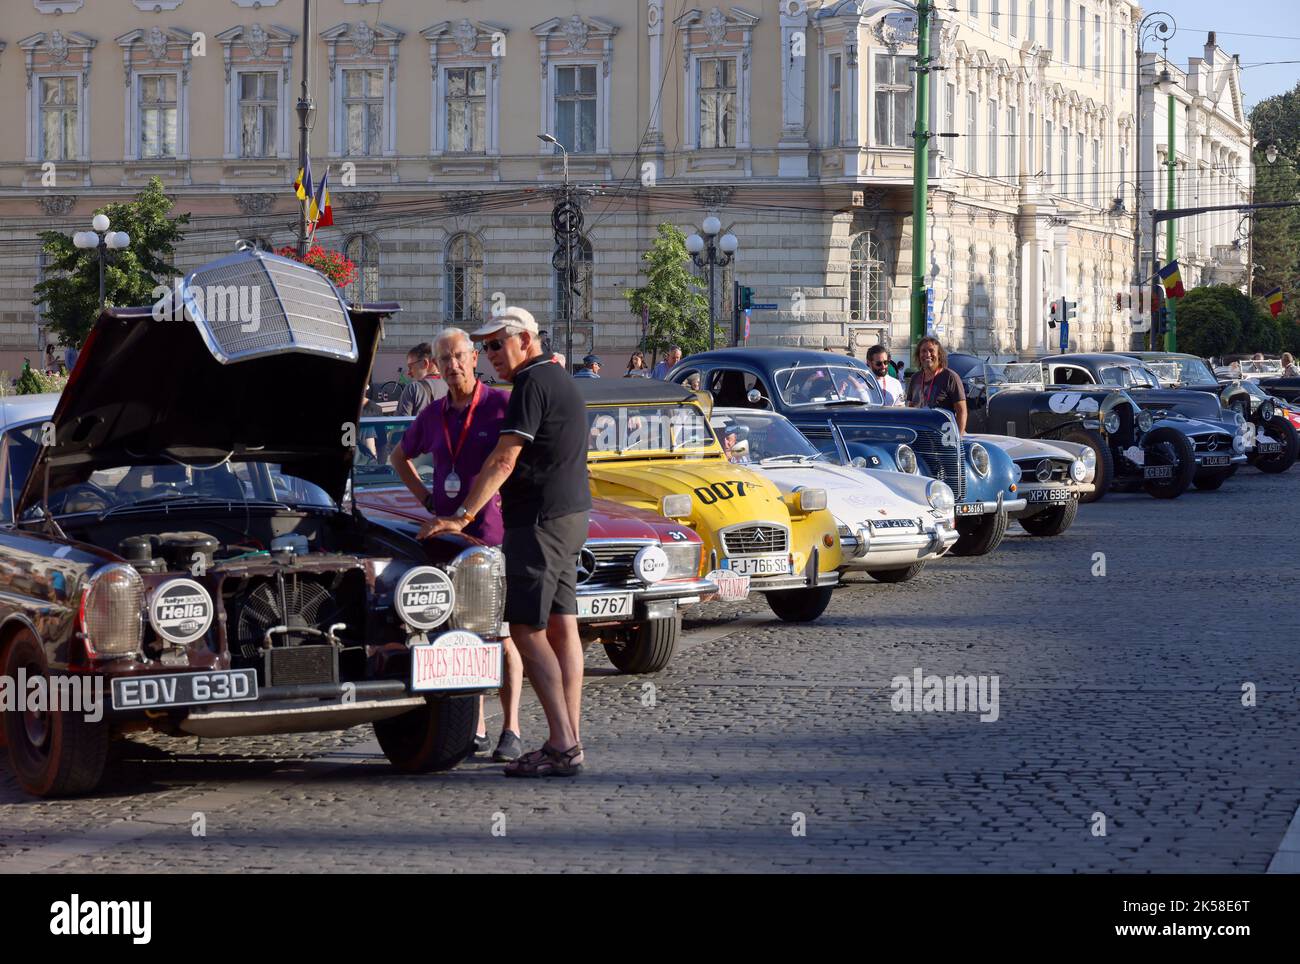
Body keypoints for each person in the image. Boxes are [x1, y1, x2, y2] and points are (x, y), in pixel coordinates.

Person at [424, 307, 591, 778]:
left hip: (538, 523)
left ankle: (562, 742)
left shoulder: (533, 384)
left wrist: (462, 515)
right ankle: (570, 738)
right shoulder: (559, 379)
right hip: (570, 516)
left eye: (498, 344)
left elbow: (502, 460)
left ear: (526, 340)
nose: (491, 355)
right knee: (563, 626)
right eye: (488, 346)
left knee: (524, 630)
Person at [390, 328, 522, 762]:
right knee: (461, 636)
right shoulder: (433, 415)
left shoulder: (501, 405)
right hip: (446, 540)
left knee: (500, 635)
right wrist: (427, 499)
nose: (453, 366)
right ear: (435, 366)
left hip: (492, 539)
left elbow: (516, 460)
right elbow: (398, 457)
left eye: (459, 357)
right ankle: (476, 726)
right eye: (443, 360)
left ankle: (513, 729)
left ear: (474, 358)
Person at [907, 336, 967, 433]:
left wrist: (958, 437)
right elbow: (911, 407)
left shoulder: (950, 377)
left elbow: (961, 411)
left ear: (939, 355)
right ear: (918, 355)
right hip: (919, 434)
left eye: (931, 351)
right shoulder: (915, 378)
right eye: (923, 351)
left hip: (944, 435)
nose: (927, 354)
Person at [396, 342, 448, 416]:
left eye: (410, 366)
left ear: (425, 363)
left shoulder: (413, 388)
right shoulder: (452, 386)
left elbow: (400, 425)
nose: (409, 372)